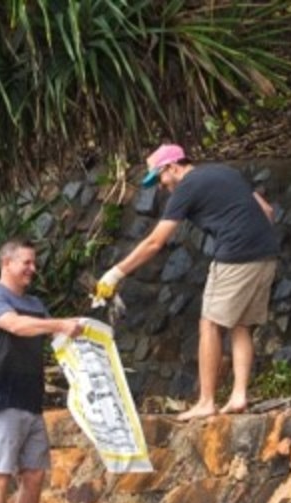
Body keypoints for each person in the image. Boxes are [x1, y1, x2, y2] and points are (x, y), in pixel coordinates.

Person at [95, 143, 279, 421]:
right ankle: (239, 395)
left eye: (160, 178)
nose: (161, 185)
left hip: (235, 255)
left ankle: (206, 401)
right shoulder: (224, 172)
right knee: (241, 324)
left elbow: (155, 242)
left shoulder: (187, 187)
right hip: (266, 253)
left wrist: (116, 273)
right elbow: (266, 211)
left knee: (210, 324)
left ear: (173, 167)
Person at [0, 239, 83, 503]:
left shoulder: (36, 304)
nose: (32, 269)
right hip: (2, 399)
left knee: (34, 475)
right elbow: (17, 326)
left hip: (32, 400)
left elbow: (55, 339)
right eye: (26, 263)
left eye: (34, 263)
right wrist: (59, 324)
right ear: (6, 263)